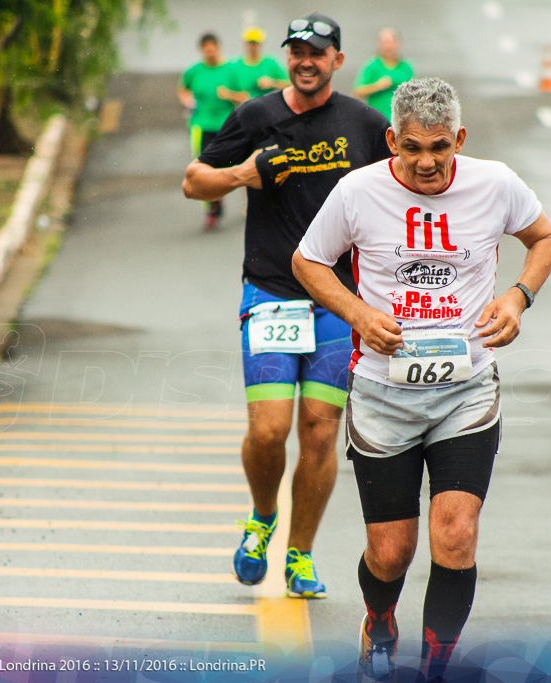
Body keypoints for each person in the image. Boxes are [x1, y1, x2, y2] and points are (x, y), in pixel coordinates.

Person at [293, 77, 551, 681]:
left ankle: (436, 663)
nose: (427, 162)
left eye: (439, 147)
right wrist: (359, 313)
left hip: (466, 390)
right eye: (412, 148)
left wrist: (518, 297)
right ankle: (380, 619)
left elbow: (544, 237)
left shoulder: (495, 183)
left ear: (459, 139)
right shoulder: (357, 192)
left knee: (456, 535)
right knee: (391, 553)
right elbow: (307, 260)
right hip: (384, 392)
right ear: (392, 141)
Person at [182, 13, 391, 599]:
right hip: (272, 292)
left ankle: (299, 554)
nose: (306, 60)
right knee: (269, 430)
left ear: (337, 61)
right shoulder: (256, 116)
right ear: (288, 58)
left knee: (320, 436)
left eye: (318, 52)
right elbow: (194, 181)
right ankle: (261, 516)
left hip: (339, 303)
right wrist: (244, 174)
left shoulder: (365, 123)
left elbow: (398, 186)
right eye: (297, 51)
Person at [178, 33, 239, 230]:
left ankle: (222, 195)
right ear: (202, 50)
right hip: (202, 125)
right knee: (203, 167)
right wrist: (187, 101)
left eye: (213, 47)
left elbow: (244, 96)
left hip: (226, 125)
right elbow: (183, 88)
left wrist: (229, 95)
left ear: (218, 48)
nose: (210, 51)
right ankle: (212, 208)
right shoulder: (194, 71)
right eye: (206, 48)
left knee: (226, 165)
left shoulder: (230, 70)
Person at [353, 28, 414, 120]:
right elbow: (357, 91)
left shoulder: (406, 66)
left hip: (400, 119)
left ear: (397, 43)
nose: (387, 46)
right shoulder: (372, 65)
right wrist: (377, 86)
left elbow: (415, 92)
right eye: (383, 42)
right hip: (377, 118)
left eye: (390, 42)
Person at [229, 27, 289, 102]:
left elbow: (289, 85)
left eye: (255, 44)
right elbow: (225, 91)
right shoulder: (234, 65)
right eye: (250, 43)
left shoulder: (271, 63)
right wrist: (237, 96)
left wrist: (272, 83)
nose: (253, 47)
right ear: (245, 44)